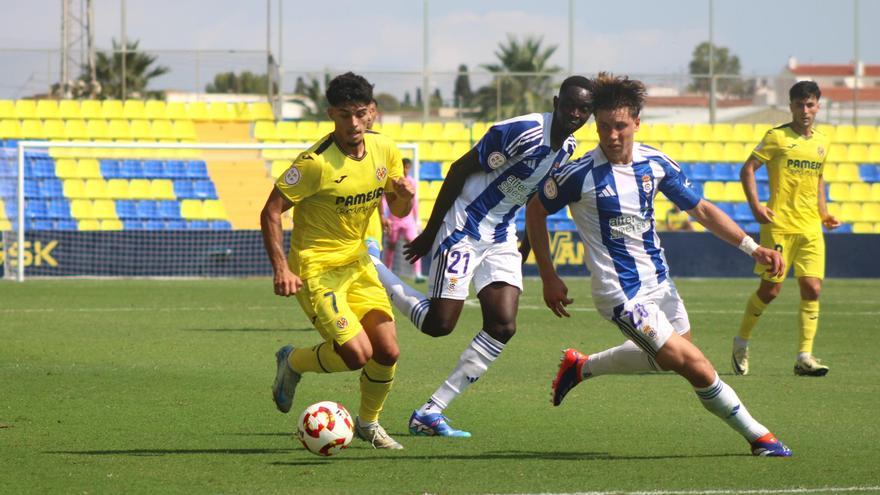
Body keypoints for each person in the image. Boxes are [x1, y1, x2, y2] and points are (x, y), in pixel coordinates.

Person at [526, 72, 792, 457]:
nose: (611, 135)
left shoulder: (655, 163)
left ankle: (580, 367)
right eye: (603, 127)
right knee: (695, 366)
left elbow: (700, 209)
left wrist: (753, 248)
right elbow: (535, 211)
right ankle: (760, 437)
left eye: (620, 126)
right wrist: (548, 277)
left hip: (660, 284)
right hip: (620, 294)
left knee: (668, 358)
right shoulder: (578, 173)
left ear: (636, 121)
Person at [370, 76, 594, 437]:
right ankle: (374, 266)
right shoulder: (523, 131)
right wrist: (430, 233)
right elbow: (459, 169)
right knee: (439, 325)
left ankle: (431, 411)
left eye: (584, 109)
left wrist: (521, 251)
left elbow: (531, 200)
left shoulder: (566, 148)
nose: (575, 113)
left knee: (503, 325)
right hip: (464, 224)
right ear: (556, 102)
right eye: (570, 105)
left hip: (501, 235)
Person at [260, 72, 415, 450]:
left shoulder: (386, 151)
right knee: (357, 354)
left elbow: (396, 207)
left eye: (361, 113)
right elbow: (271, 211)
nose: (354, 124)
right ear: (332, 114)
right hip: (316, 270)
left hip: (358, 263)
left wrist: (405, 196)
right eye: (345, 115)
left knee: (388, 351)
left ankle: (369, 424)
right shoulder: (315, 163)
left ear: (373, 113)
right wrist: (282, 267)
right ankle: (294, 361)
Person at [732, 81, 840, 377]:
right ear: (790, 106)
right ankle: (741, 341)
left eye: (810, 105)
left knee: (812, 287)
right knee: (771, 290)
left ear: (818, 106)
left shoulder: (823, 142)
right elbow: (747, 169)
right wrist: (755, 206)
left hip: (810, 228)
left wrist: (824, 212)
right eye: (799, 105)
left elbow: (818, 179)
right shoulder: (777, 137)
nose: (805, 111)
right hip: (778, 226)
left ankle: (804, 355)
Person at [382, 158, 425, 282]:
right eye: (404, 167)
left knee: (414, 243)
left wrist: (417, 219)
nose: (406, 170)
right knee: (391, 246)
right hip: (394, 219)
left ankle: (418, 273)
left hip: (408, 220)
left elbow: (414, 202)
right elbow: (385, 199)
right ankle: (387, 272)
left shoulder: (412, 182)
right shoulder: (393, 181)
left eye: (408, 167)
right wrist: (384, 215)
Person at [363, 98, 388, 259]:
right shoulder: (345, 145)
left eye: (372, 111)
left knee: (372, 269)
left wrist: (382, 215)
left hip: (372, 223)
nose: (368, 116)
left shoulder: (382, 145)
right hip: (348, 223)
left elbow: (378, 189)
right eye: (365, 111)